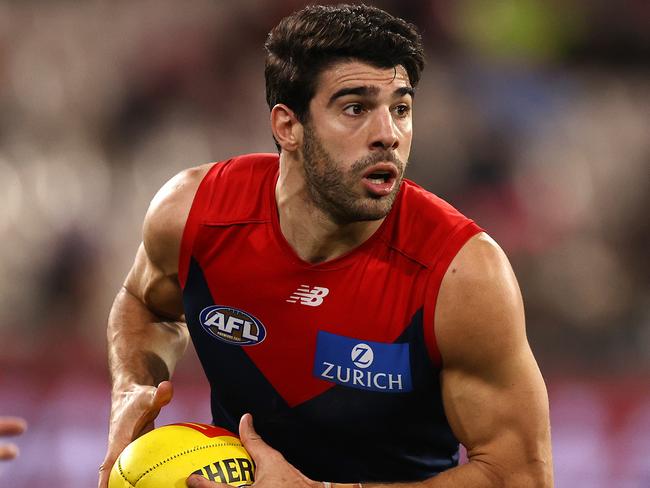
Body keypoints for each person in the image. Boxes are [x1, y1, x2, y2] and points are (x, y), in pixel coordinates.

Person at [99, 4, 553, 488]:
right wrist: (133, 388)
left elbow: (521, 476)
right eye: (355, 108)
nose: (388, 136)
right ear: (287, 126)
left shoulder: (463, 274)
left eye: (401, 109)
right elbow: (144, 303)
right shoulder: (195, 213)